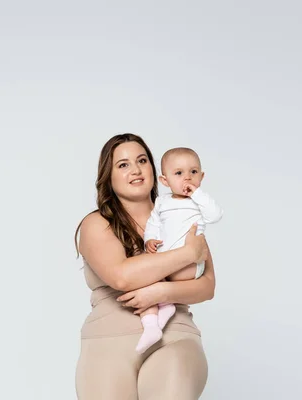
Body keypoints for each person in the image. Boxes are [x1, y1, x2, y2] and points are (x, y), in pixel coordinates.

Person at [74, 133, 215, 400]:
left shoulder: (185, 214)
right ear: (109, 176)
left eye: (142, 160)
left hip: (174, 335)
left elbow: (207, 286)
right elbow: (122, 277)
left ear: (155, 170)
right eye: (123, 164)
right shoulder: (96, 223)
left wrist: (161, 294)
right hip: (108, 341)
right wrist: (187, 253)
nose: (136, 170)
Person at [135, 147, 223, 353]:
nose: (187, 179)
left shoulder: (199, 201)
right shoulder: (162, 202)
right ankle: (151, 325)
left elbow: (215, 215)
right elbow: (153, 224)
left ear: (201, 176)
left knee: (156, 279)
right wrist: (149, 240)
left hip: (190, 265)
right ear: (165, 181)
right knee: (144, 280)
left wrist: (198, 194)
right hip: (167, 260)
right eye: (179, 173)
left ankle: (164, 307)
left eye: (193, 172)